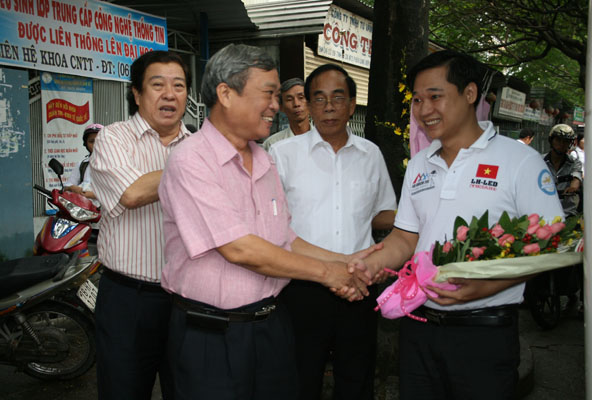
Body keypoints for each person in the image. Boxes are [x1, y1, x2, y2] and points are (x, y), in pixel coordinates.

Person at [158, 44, 376, 400]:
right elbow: (240, 248)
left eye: (277, 95)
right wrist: (328, 273)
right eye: (268, 93)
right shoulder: (191, 160)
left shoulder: (264, 159)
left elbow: (285, 239)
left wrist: (348, 262)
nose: (277, 105)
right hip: (211, 334)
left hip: (271, 326)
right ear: (226, 94)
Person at [350, 50, 564, 400]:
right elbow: (405, 237)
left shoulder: (519, 161)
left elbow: (551, 243)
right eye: (417, 100)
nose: (424, 110)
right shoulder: (419, 163)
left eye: (435, 96)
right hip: (419, 329)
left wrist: (481, 288)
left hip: (484, 334)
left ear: (469, 93)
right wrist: (368, 264)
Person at [269, 64, 396, 400]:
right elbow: (274, 226)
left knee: (357, 378)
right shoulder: (282, 154)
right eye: (319, 98)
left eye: (338, 98)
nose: (328, 107)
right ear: (309, 105)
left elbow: (383, 214)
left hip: (359, 286)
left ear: (352, 105)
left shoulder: (370, 155)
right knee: (300, 379)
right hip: (302, 286)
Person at [89, 50, 192, 400]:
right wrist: (197, 165)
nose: (170, 94)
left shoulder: (197, 145)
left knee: (189, 389)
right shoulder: (113, 139)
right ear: (136, 93)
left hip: (188, 301)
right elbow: (131, 193)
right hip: (128, 300)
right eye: (158, 85)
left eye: (179, 86)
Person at [543, 124, 583, 217]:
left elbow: (576, 177)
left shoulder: (574, 162)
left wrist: (573, 188)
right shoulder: (539, 161)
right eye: (558, 140)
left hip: (567, 214)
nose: (562, 144)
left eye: (566, 141)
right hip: (543, 213)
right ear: (551, 140)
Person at [261, 77, 311, 151]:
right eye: (289, 99)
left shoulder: (324, 138)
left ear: (310, 103)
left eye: (301, 97)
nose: (296, 104)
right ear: (281, 107)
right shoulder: (272, 144)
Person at [64, 123, 103, 201]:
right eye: (91, 141)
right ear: (86, 144)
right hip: (83, 207)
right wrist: (72, 188)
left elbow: (119, 193)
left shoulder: (116, 164)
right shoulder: (82, 165)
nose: (95, 145)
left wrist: (91, 195)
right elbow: (66, 187)